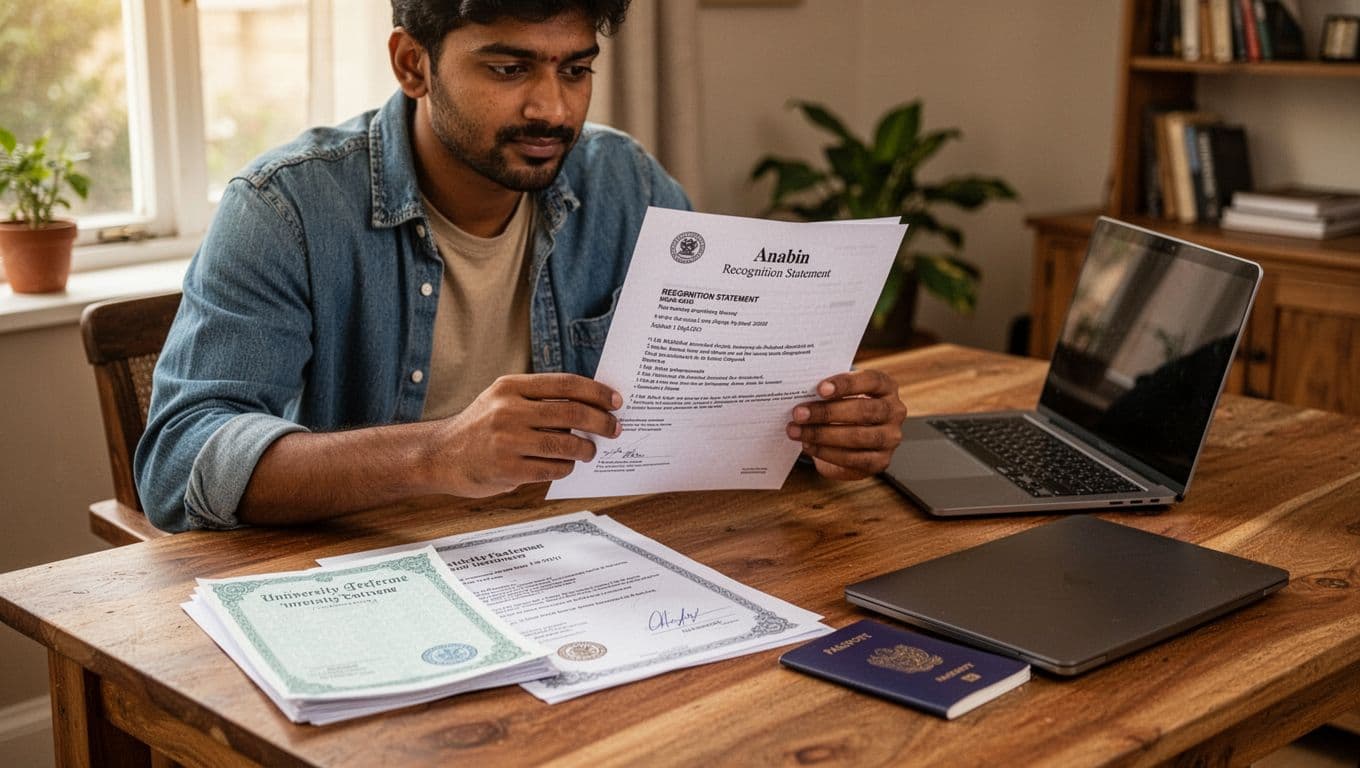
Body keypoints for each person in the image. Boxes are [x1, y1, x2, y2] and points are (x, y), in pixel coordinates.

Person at [135, 0, 908, 533]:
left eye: (576, 69)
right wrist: (437, 456)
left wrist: (821, 432)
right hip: (372, 582)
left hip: (586, 568)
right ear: (413, 63)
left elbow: (719, 399)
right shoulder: (286, 209)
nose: (555, 109)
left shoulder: (625, 183)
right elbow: (179, 463)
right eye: (509, 70)